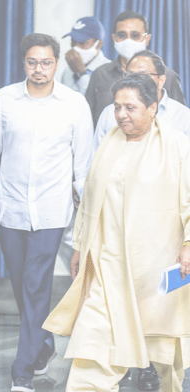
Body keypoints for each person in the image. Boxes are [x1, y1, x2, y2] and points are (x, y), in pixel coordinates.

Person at [43, 73, 190, 392]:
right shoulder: (109, 143)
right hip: (107, 266)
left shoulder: (178, 145)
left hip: (154, 265)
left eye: (131, 107)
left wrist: (189, 245)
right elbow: (90, 201)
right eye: (117, 106)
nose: (122, 114)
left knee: (164, 355)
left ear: (153, 107)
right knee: (92, 345)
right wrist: (80, 246)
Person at [0, 33, 92, 392]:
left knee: (35, 282)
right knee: (21, 284)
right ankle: (43, 345)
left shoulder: (74, 105)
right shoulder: (4, 100)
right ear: (23, 63)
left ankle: (22, 368)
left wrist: (85, 217)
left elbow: (83, 167)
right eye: (32, 62)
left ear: (56, 64)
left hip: (52, 211)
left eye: (45, 62)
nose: (38, 69)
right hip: (9, 210)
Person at [85, 10, 184, 124]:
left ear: (147, 39)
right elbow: (88, 120)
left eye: (135, 35)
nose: (128, 40)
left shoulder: (166, 76)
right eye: (122, 35)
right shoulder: (100, 74)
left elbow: (180, 118)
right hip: (109, 140)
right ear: (114, 38)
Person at [94, 50, 190, 151]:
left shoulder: (183, 117)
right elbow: (96, 157)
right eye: (130, 75)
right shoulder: (110, 113)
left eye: (143, 75)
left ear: (161, 80)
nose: (135, 81)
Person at [58, 17, 110, 96]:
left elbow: (98, 102)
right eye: (73, 42)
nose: (75, 48)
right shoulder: (68, 71)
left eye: (82, 43)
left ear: (99, 44)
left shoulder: (110, 71)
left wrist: (82, 73)